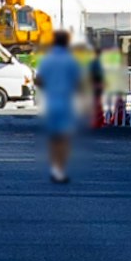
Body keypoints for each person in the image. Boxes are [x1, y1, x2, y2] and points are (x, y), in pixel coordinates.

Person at [35, 31, 82, 186]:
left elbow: (39, 80)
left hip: (50, 101)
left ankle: (54, 167)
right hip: (65, 101)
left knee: (53, 138)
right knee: (64, 138)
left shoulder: (47, 60)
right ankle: (60, 170)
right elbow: (78, 83)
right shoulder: (71, 61)